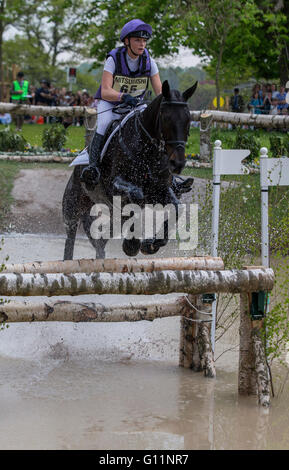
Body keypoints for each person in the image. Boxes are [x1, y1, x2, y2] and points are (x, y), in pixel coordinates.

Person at [80, 18, 162, 189]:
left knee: (153, 126)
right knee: (103, 124)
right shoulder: (114, 58)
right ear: (127, 41)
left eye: (144, 40)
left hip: (136, 105)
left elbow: (160, 93)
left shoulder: (149, 62)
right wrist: (123, 97)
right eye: (137, 40)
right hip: (110, 103)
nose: (142, 44)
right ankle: (93, 167)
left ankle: (163, 172)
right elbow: (105, 91)